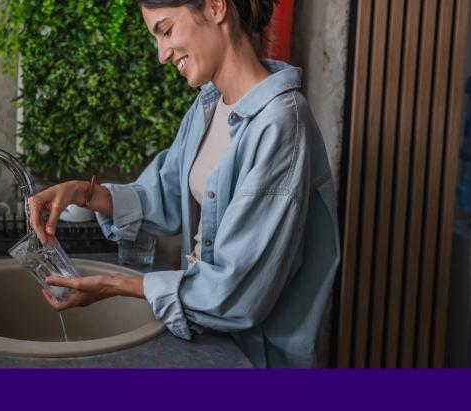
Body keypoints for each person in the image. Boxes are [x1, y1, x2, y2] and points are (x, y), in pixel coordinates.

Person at [26, 0, 340, 368]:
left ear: (215, 7)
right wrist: (82, 192)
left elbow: (237, 295)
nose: (162, 55)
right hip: (204, 335)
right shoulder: (209, 106)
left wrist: (114, 286)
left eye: (166, 30)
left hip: (251, 358)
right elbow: (167, 196)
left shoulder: (281, 124)